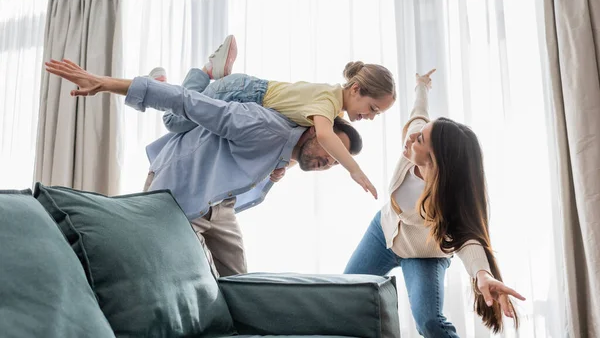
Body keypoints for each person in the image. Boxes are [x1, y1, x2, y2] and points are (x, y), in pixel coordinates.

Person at [44, 58, 363, 278]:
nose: (329, 162)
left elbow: (251, 168)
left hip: (217, 206)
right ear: (313, 128)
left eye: (335, 162)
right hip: (177, 192)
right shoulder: (263, 125)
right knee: (183, 274)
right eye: (331, 150)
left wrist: (278, 172)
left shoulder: (286, 153)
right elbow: (188, 103)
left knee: (238, 280)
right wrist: (106, 83)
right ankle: (201, 72)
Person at [344, 69, 525, 336]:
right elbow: (418, 115)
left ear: (436, 159)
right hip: (384, 231)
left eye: (420, 139)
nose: (411, 138)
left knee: (428, 321)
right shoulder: (414, 145)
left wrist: (482, 273)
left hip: (425, 254)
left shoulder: (449, 198)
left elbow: (466, 239)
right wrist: (421, 87)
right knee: (344, 293)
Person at [151, 35, 396, 199]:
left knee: (185, 117)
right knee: (175, 121)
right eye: (373, 109)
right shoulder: (328, 100)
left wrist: (282, 168)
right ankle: (199, 73)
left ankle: (172, 84)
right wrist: (354, 170)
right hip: (241, 92)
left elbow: (297, 140)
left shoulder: (332, 109)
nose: (371, 117)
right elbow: (322, 135)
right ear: (355, 90)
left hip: (245, 93)